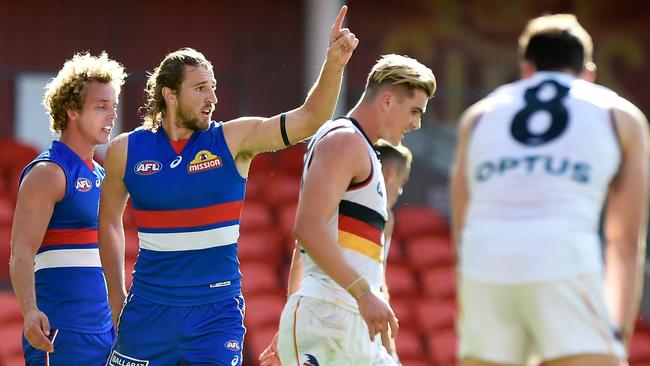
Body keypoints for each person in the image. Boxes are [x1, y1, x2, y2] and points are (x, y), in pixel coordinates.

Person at [98, 6, 358, 366]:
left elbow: (309, 118)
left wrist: (334, 64)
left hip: (215, 316)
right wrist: (116, 295)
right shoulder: (124, 150)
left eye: (214, 88)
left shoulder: (234, 139)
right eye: (201, 89)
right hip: (147, 311)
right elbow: (109, 220)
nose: (212, 99)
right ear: (169, 94)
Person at [450, 14, 649, 366]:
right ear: (589, 73)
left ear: (526, 69)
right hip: (565, 260)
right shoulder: (620, 114)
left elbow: (463, 229)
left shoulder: (478, 115)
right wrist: (616, 331)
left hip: (486, 263)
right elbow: (624, 239)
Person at [271, 54, 436, 365]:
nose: (417, 123)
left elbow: (306, 247)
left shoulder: (361, 148)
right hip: (329, 319)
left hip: (347, 320)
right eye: (415, 111)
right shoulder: (345, 141)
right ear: (388, 101)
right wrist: (363, 293)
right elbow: (308, 229)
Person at [9, 52, 126, 365]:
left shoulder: (103, 175)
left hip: (105, 332)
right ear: (72, 110)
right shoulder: (48, 172)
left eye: (113, 106)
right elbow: (21, 251)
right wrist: (30, 311)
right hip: (60, 333)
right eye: (101, 107)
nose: (111, 116)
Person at [258, 140, 414, 366]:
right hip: (334, 319)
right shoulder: (353, 210)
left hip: (352, 327)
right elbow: (303, 252)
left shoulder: (381, 219)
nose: (400, 190)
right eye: (403, 181)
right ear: (390, 174)